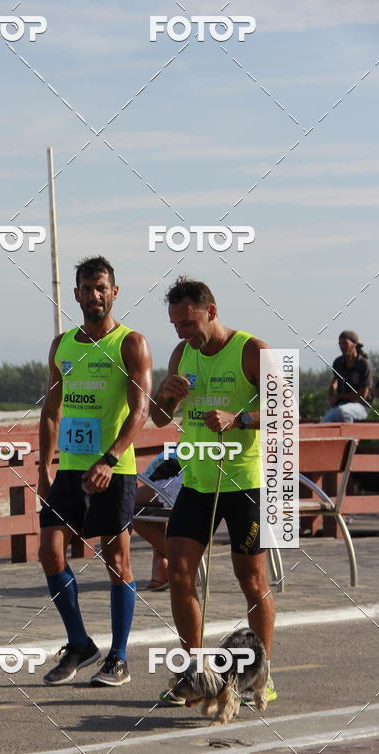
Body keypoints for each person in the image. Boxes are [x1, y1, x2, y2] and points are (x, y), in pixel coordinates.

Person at [151, 277, 276, 705]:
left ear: (212, 311)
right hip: (198, 481)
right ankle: (197, 674)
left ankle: (262, 676)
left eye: (189, 322)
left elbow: (289, 409)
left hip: (244, 481)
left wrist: (239, 419)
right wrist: (163, 396)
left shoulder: (251, 349)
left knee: (252, 579)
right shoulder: (180, 354)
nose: (183, 332)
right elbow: (157, 418)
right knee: (180, 573)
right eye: (176, 325)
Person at [38, 256, 152, 686]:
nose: (94, 295)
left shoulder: (131, 343)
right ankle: (80, 644)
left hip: (113, 469)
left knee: (116, 559)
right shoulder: (62, 345)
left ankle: (118, 658)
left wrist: (110, 458)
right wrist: (43, 467)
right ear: (76, 295)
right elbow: (51, 410)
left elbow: (141, 409)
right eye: (86, 288)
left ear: (115, 292)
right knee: (50, 552)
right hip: (68, 468)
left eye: (101, 287)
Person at [133, 450, 182, 590]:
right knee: (148, 511)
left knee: (127, 506)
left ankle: (179, 563)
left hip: (188, 478)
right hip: (200, 476)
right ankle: (161, 572)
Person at [321, 331, 372, 423]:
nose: (342, 346)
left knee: (343, 412)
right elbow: (334, 383)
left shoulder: (363, 364)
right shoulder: (338, 362)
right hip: (340, 405)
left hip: (361, 406)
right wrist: (331, 396)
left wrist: (340, 396)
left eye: (345, 343)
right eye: (340, 344)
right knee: (323, 424)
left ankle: (350, 437)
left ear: (354, 344)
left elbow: (363, 395)